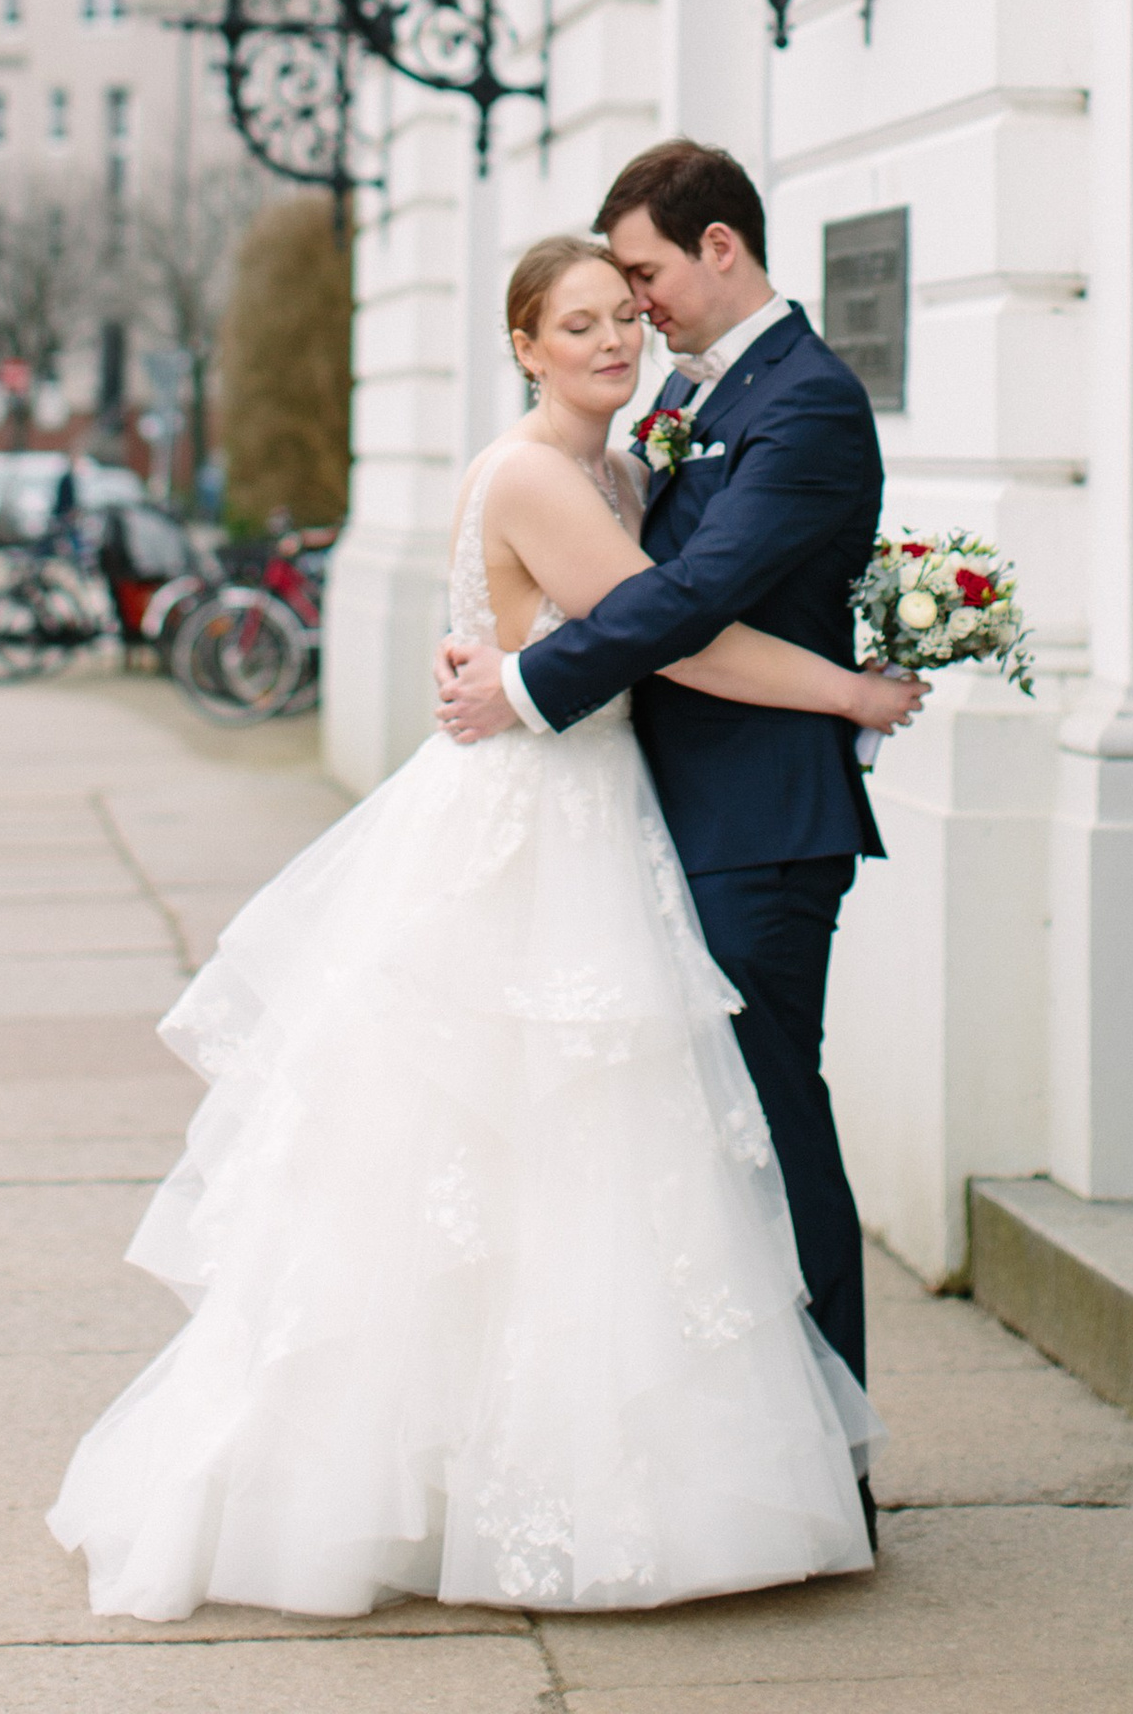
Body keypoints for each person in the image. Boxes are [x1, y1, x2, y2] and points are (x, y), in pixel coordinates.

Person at [48, 231, 919, 1620]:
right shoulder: (528, 472)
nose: (611, 344)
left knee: (589, 1167)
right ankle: (493, 1489)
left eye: (622, 320)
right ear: (523, 344)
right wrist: (847, 694)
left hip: (598, 810)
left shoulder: (618, 469)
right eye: (576, 326)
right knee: (528, 1151)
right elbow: (674, 634)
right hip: (538, 824)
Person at [434, 140, 885, 1402]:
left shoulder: (805, 399)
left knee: (773, 1131)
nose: (633, 315)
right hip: (649, 816)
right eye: (593, 309)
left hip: (759, 823)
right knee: (682, 1153)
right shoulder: (674, 410)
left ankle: (826, 1441)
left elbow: (686, 601)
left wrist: (527, 684)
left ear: (719, 249)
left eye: (639, 281)